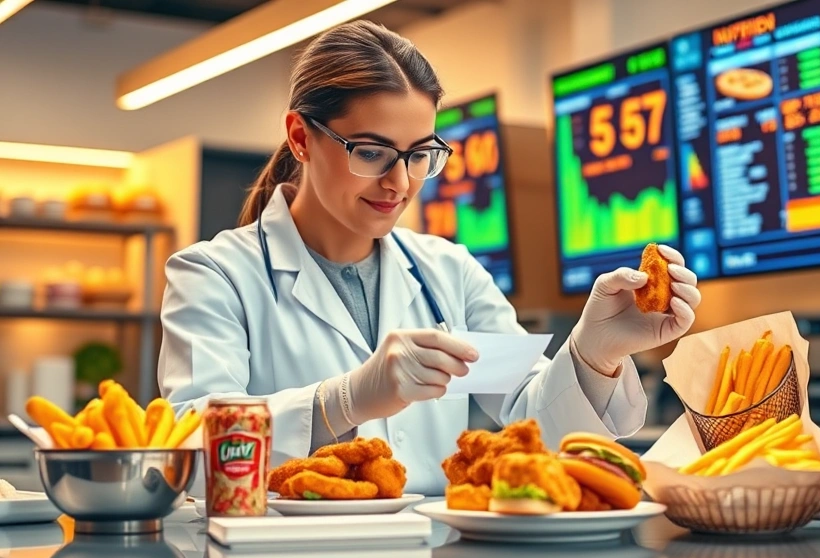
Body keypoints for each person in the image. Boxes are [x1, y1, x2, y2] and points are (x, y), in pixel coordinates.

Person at [157, 20, 701, 496]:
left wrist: (595, 353)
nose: (399, 183)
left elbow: (540, 431)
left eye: (420, 155)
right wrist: (344, 400)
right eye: (371, 152)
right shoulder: (214, 274)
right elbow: (191, 449)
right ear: (301, 137)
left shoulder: (448, 274)